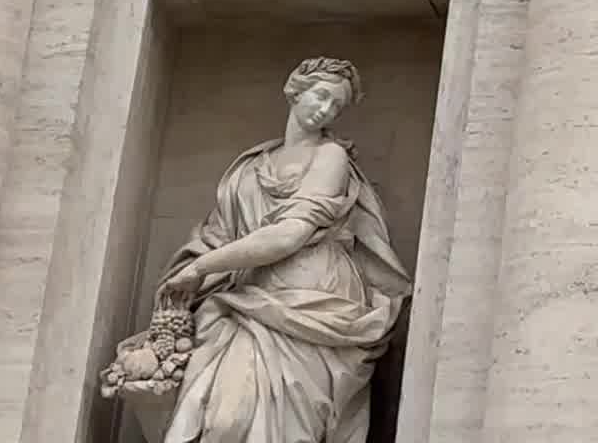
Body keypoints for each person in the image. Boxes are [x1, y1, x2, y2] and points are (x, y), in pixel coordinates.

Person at [150, 57, 410, 443]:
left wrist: (203, 266)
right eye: (321, 96)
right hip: (246, 299)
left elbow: (290, 235)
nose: (325, 109)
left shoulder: (331, 157)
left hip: (312, 303)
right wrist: (192, 268)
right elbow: (221, 233)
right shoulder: (250, 167)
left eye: (335, 106)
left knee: (279, 428)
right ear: (295, 90)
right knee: (219, 419)